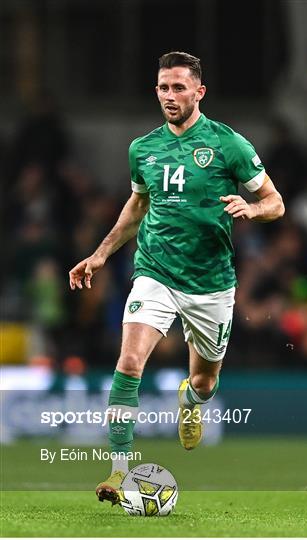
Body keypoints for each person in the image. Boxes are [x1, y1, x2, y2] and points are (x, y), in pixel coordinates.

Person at [69, 51, 285, 506]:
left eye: (179, 87)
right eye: (163, 88)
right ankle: (119, 470)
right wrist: (101, 253)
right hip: (155, 272)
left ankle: (192, 401)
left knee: (205, 382)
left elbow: (275, 202)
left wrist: (251, 208)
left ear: (199, 92)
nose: (170, 96)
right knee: (129, 362)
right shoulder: (142, 149)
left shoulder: (229, 145)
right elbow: (137, 207)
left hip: (211, 281)